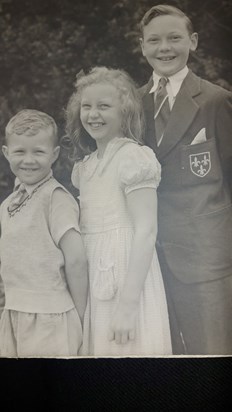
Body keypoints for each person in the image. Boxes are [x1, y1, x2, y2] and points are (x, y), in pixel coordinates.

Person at [139, 4, 232, 355]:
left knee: (212, 358)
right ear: (142, 46)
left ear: (192, 42)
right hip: (151, 262)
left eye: (175, 38)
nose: (165, 47)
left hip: (205, 259)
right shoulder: (135, 104)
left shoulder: (215, 100)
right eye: (155, 40)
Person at [66, 66, 172, 356]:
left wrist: (128, 304)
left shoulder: (133, 157)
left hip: (128, 276)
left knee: (129, 353)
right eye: (86, 106)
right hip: (94, 274)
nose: (93, 114)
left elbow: (147, 230)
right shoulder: (84, 168)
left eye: (104, 106)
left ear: (124, 111)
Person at [0, 109, 88, 358]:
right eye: (20, 151)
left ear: (54, 155)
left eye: (38, 151)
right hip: (14, 314)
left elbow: (77, 260)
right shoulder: (7, 205)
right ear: (6, 153)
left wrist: (80, 316)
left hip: (50, 318)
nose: (29, 160)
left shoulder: (55, 198)